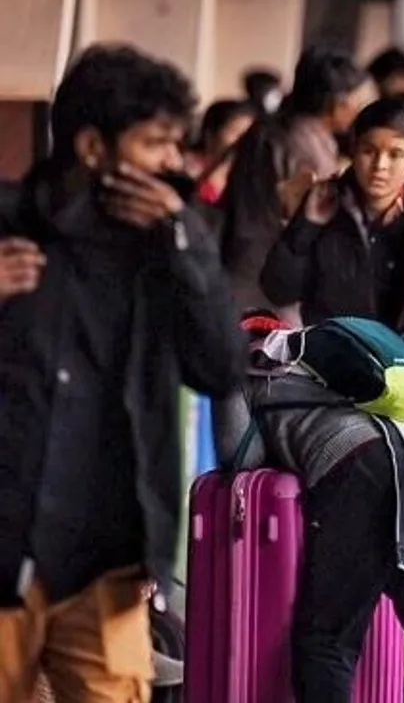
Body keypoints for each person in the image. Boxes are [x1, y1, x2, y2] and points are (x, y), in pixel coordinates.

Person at [0, 44, 246, 702]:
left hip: (105, 561)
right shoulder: (7, 228)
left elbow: (222, 370)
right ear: (91, 148)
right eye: (155, 144)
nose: (174, 162)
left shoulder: (168, 252)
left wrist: (187, 245)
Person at [213, 313, 404, 703]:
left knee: (328, 639)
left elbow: (240, 457)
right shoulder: (318, 359)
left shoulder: (243, 369)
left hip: (355, 470)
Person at [260, 97, 404, 456]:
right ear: (353, 150)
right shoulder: (324, 208)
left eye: (396, 154)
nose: (380, 166)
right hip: (333, 377)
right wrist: (305, 226)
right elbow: (277, 287)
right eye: (369, 151)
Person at [221, 44, 374, 314]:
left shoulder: (266, 129)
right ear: (336, 103)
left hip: (237, 264)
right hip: (270, 281)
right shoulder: (307, 146)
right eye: (356, 100)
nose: (359, 108)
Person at [191, 98, 256, 204]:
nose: (243, 141)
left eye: (249, 134)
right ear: (210, 134)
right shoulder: (187, 170)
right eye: (235, 132)